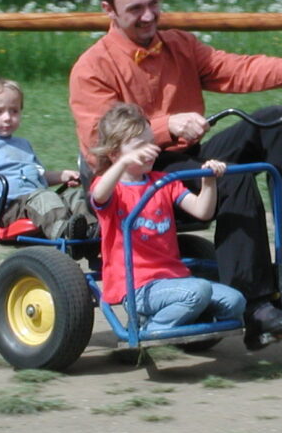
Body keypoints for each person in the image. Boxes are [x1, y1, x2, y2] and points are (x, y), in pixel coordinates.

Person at [68, 0, 282, 348]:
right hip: (132, 182)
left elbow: (234, 69)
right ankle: (258, 309)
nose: (149, 16)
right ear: (107, 10)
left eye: (154, 3)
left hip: (183, 160)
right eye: (135, 9)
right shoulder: (92, 67)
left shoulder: (178, 44)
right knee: (232, 174)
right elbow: (98, 140)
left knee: (275, 120)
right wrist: (166, 127)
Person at [90, 103, 246, 332]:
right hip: (137, 287)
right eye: (139, 147)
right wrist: (124, 162)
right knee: (198, 292)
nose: (150, 150)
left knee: (236, 301)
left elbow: (203, 211)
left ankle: (181, 323)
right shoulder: (112, 189)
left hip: (174, 280)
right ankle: (147, 327)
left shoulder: (163, 181)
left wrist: (209, 181)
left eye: (151, 143)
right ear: (114, 154)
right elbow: (99, 195)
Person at [0, 78, 95, 256]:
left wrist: (62, 176)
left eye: (13, 111)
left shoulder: (23, 144)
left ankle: (92, 232)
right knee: (43, 197)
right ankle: (65, 235)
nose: (7, 117)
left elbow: (37, 177)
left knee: (78, 196)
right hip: (10, 209)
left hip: (37, 201)